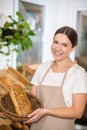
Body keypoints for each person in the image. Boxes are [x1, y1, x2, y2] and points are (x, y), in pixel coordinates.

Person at [26, 26, 86, 130]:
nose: (57, 48)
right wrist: (12, 113)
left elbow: (78, 112)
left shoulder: (78, 73)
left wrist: (46, 111)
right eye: (56, 42)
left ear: (73, 48)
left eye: (64, 45)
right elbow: (31, 102)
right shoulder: (42, 68)